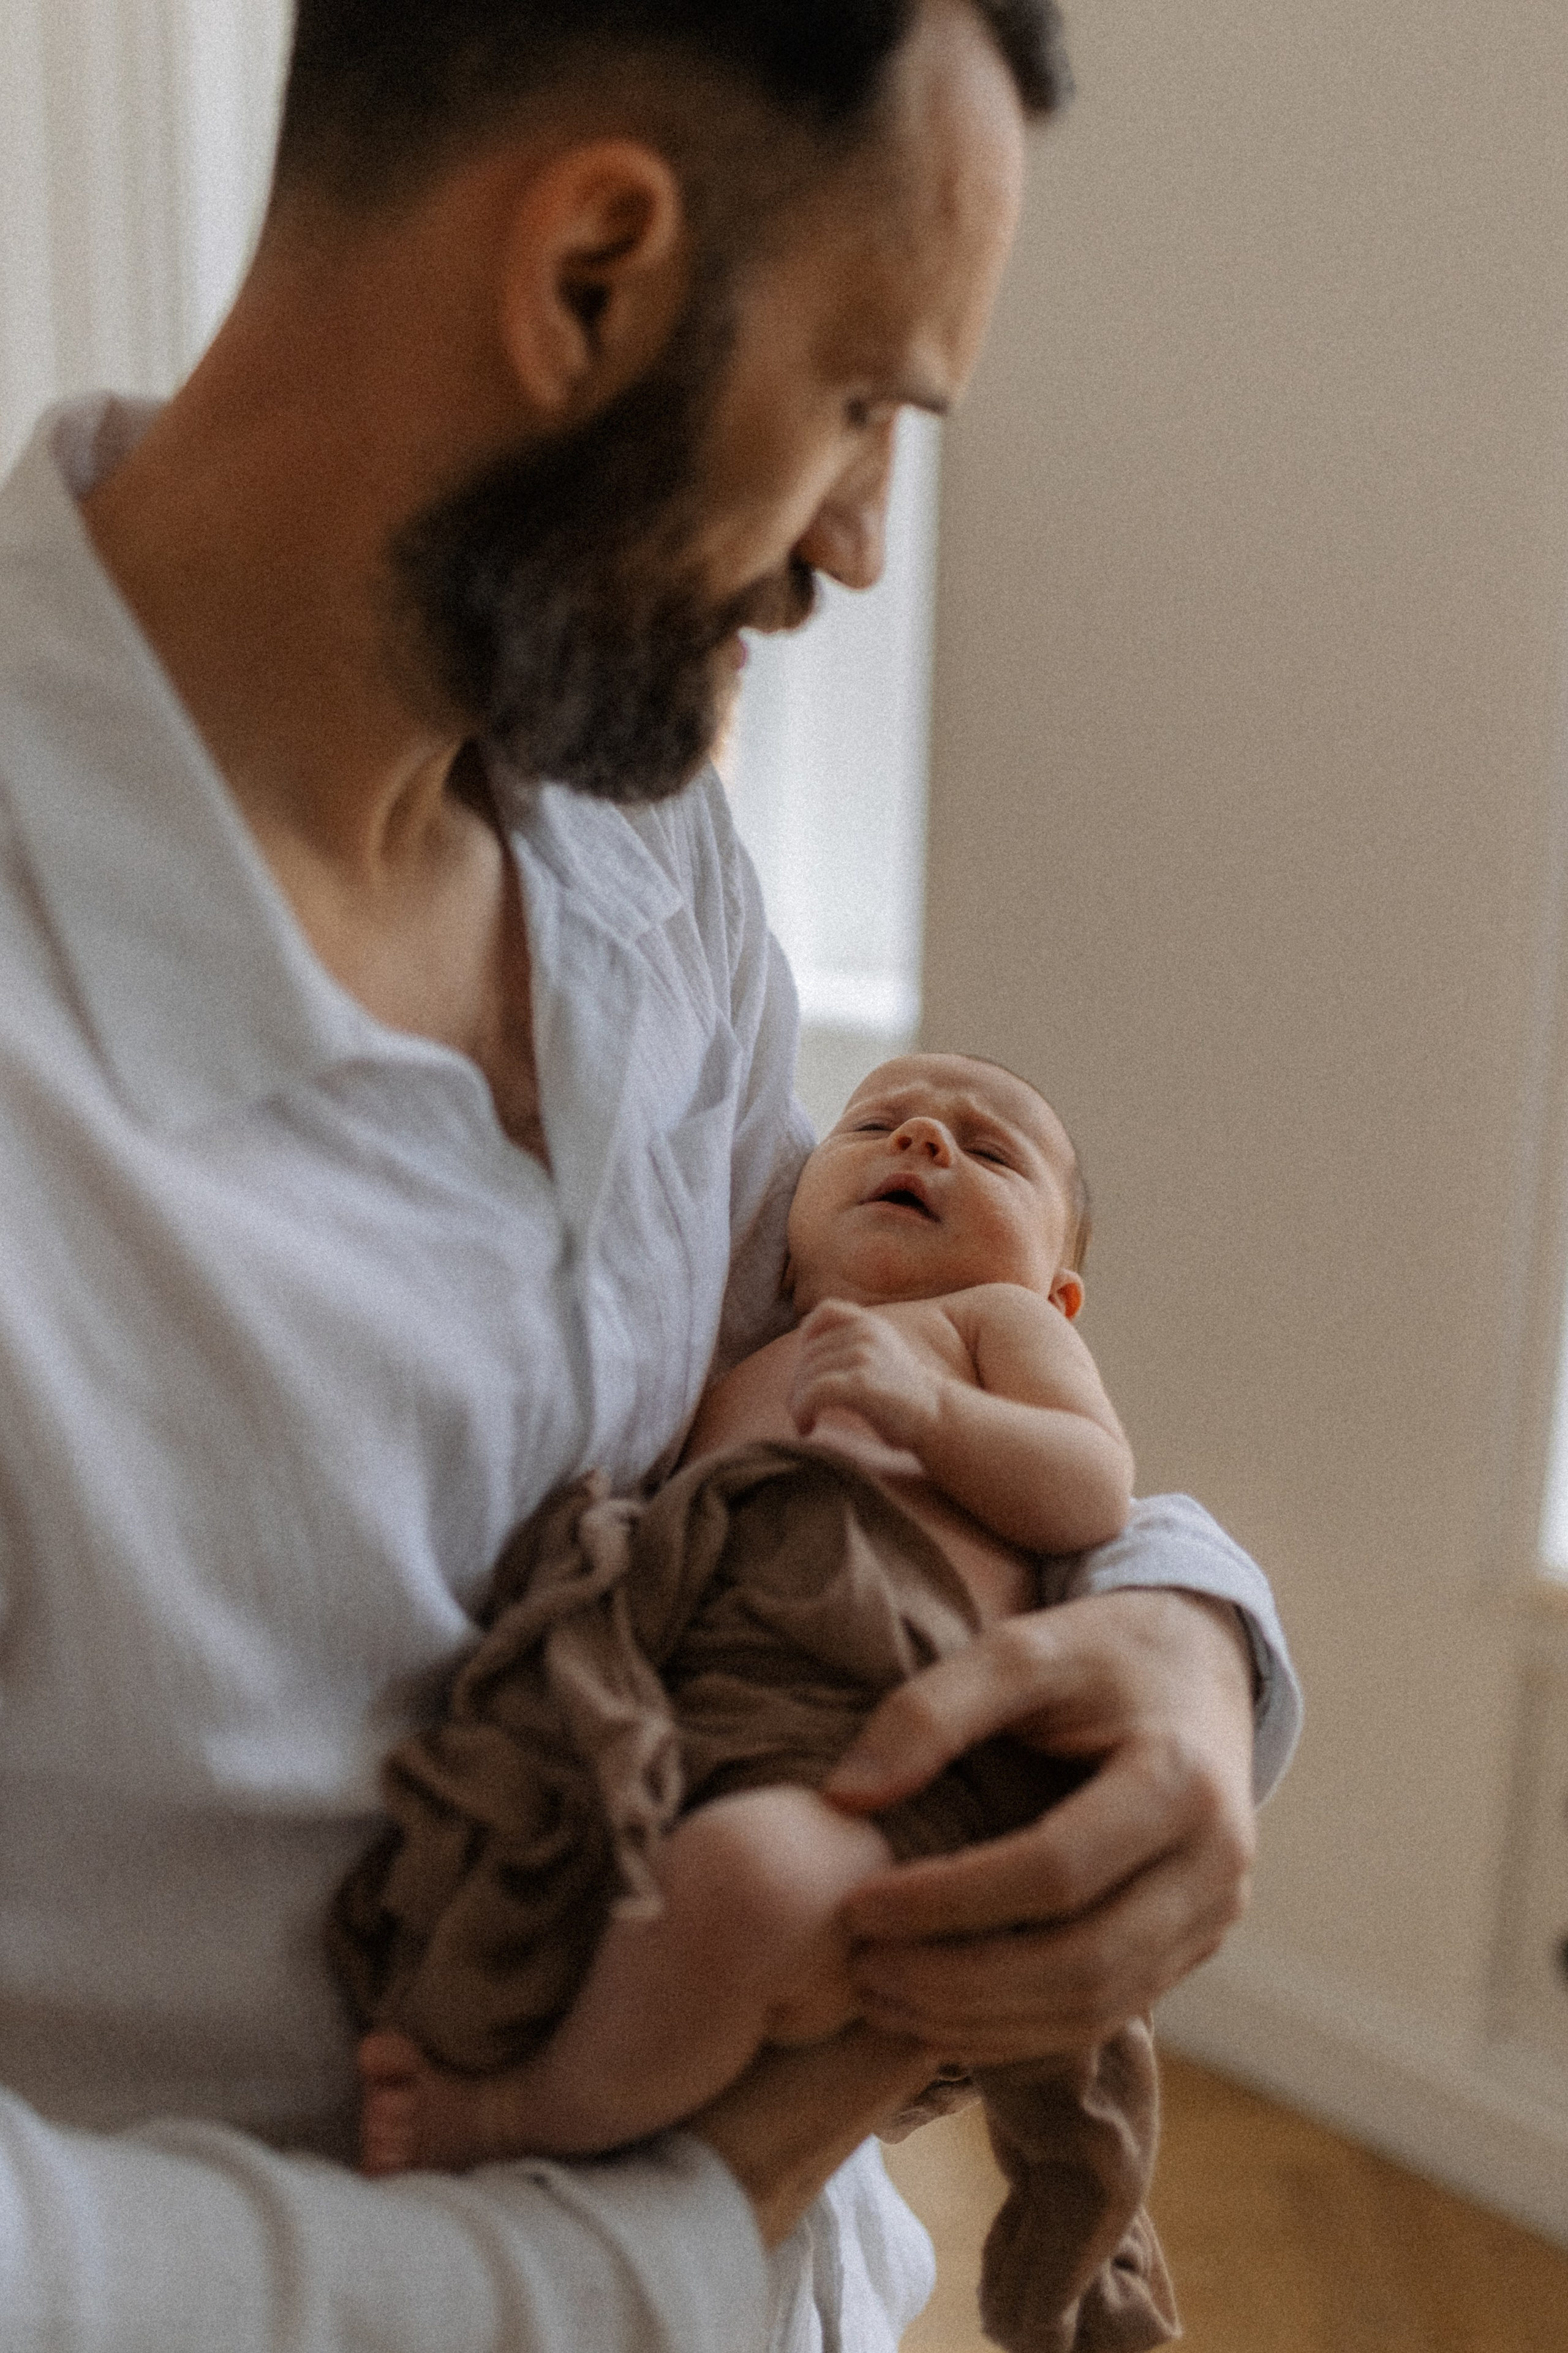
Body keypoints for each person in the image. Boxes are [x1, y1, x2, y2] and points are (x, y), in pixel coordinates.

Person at [0, 4, 1300, 2350]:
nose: (866, 547)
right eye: (866, 400)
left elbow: (835, 1315)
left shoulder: (629, 828)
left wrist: (1200, 1645)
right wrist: (662, 2242)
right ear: (592, 272)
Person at [332, 1049, 1182, 2352]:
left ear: (1056, 1293)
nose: (926, 1145)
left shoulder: (985, 1335)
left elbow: (1090, 1490)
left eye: (989, 1149)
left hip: (882, 1737)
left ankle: (526, 2115)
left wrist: (935, 1414)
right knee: (588, 1875)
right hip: (705, 1709)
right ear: (781, 1251)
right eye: (880, 1123)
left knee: (746, 1882)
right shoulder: (737, 1364)